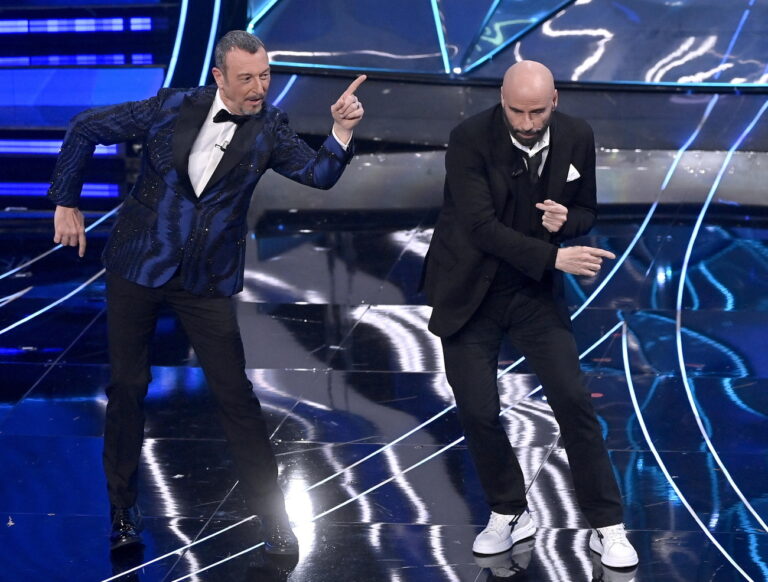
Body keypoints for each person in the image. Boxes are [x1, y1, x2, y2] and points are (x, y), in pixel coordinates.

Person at [48, 30, 366, 554]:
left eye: (265, 76)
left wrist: (340, 129)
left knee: (236, 396)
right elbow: (84, 127)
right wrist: (65, 200)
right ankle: (123, 509)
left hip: (205, 281)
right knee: (128, 387)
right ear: (219, 76)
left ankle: (274, 517)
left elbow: (320, 173)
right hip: (137, 266)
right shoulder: (173, 104)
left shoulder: (270, 128)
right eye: (247, 78)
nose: (259, 87)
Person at [420, 60, 638, 569]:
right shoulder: (469, 137)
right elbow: (480, 226)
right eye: (515, 110)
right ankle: (509, 510)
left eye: (536, 111)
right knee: (477, 410)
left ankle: (607, 525)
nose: (525, 122)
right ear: (501, 99)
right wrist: (555, 256)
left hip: (532, 294)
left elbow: (588, 210)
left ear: (555, 101)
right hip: (469, 288)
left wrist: (567, 221)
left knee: (573, 401)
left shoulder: (576, 135)